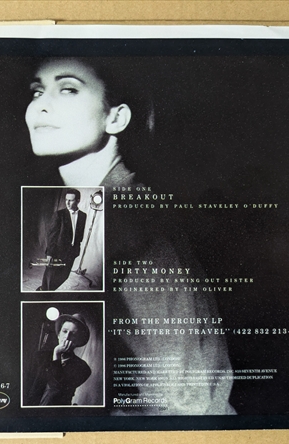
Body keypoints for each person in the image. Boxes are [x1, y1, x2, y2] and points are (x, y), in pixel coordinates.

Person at [25, 57, 235, 415]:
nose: (41, 105)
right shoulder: (74, 203)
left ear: (116, 118)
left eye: (69, 89)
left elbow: (187, 393)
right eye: (37, 91)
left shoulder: (132, 216)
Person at [26, 313, 92, 406]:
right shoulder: (39, 357)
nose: (67, 337)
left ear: (79, 340)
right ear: (58, 335)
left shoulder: (83, 369)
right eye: (64, 331)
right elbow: (27, 389)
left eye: (73, 334)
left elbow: (56, 388)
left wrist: (57, 354)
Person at [37, 188, 87, 291]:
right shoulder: (59, 214)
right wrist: (50, 254)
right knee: (50, 277)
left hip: (72, 252)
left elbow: (79, 234)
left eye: (71, 200)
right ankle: (43, 292)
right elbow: (52, 236)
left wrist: (76, 247)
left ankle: (47, 290)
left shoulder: (83, 216)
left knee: (64, 276)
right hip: (57, 251)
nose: (67, 203)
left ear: (78, 201)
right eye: (66, 199)